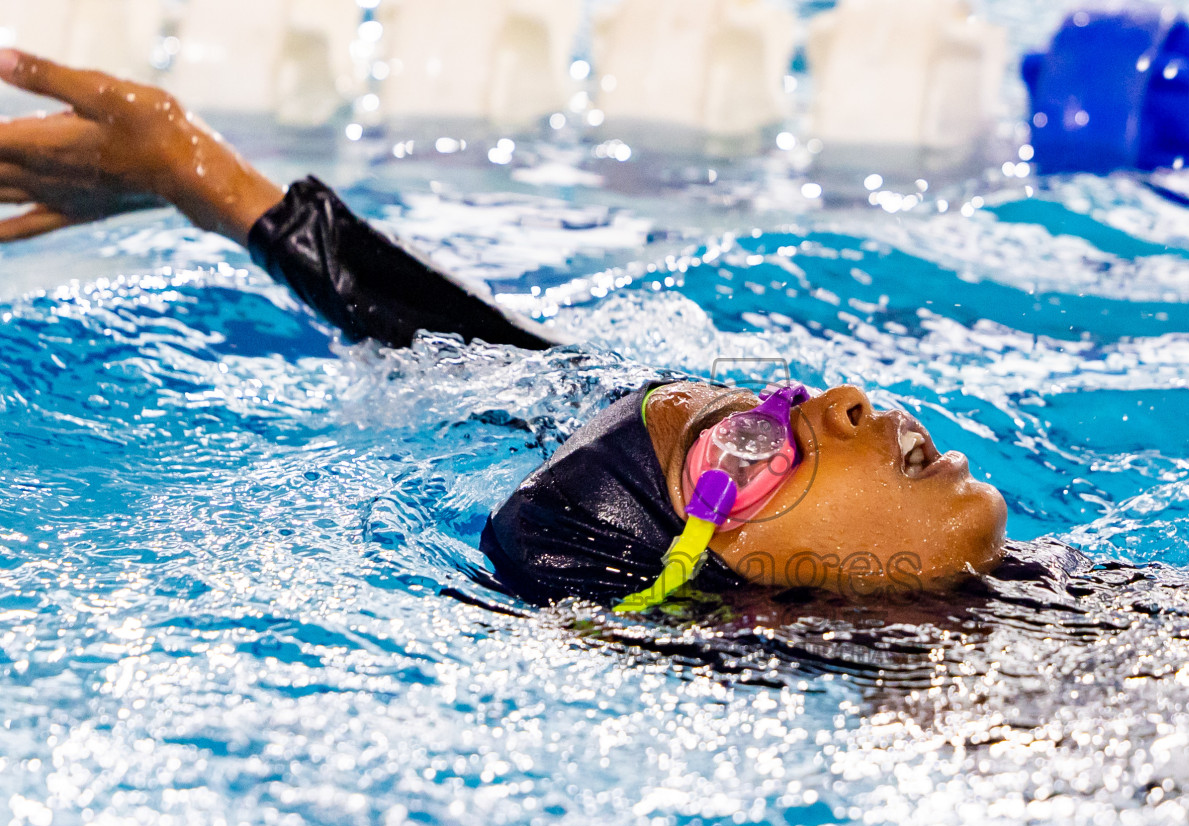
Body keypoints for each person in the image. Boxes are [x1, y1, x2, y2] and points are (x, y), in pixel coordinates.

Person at [0, 50, 1007, 609]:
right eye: (745, 452)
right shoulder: (956, 715)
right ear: (712, 586)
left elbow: (499, 371)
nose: (840, 402)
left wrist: (204, 179)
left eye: (769, 413)